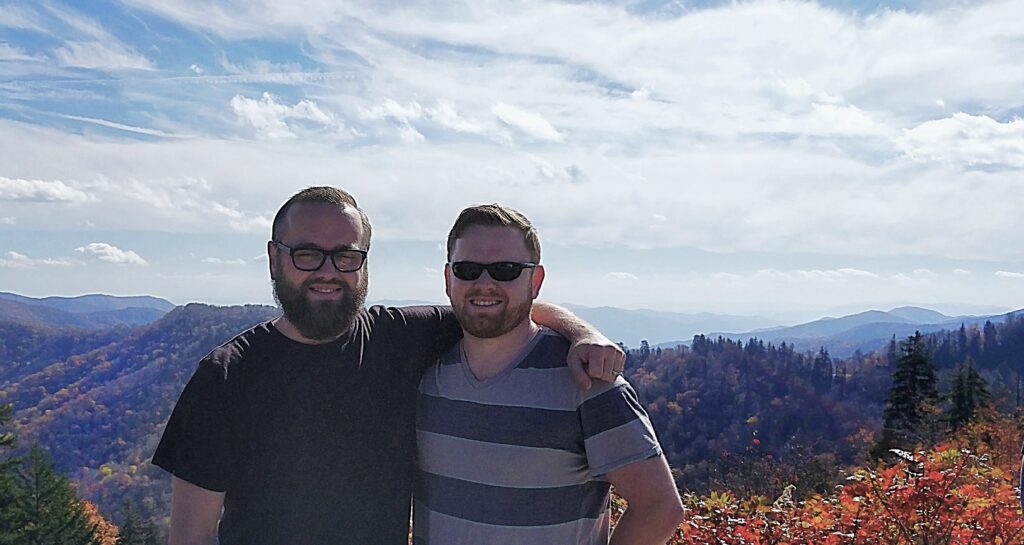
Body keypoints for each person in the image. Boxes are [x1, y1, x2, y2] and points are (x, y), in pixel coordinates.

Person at [152, 187, 625, 545]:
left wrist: (584, 333)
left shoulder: (400, 338)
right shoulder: (227, 377)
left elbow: (493, 304)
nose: (327, 271)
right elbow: (190, 535)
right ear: (275, 258)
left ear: (364, 263)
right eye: (307, 254)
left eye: (346, 256)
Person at [415, 204, 684, 544]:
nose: (484, 283)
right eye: (468, 269)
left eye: (506, 269)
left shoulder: (586, 381)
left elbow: (660, 508)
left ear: (536, 280)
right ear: (447, 278)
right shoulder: (424, 370)